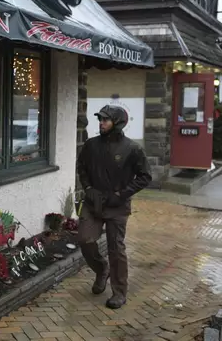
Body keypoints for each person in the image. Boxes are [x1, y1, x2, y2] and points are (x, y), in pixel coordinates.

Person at [76, 105, 152, 309]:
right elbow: (81, 167)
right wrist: (88, 187)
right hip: (93, 203)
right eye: (100, 119)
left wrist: (122, 194)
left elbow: (145, 176)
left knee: (116, 249)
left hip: (117, 206)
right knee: (85, 239)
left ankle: (119, 292)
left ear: (117, 123)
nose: (101, 123)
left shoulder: (132, 149)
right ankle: (102, 270)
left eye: (105, 120)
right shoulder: (91, 145)